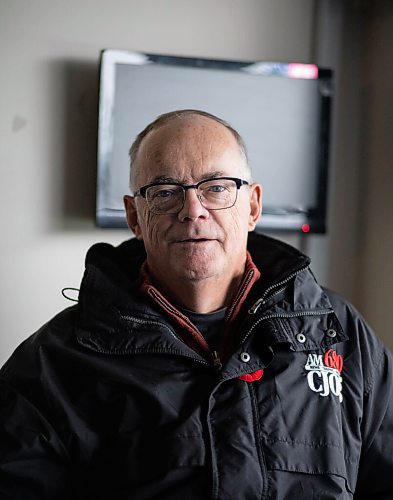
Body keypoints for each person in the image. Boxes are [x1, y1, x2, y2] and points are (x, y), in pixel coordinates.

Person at [0, 109, 392, 500]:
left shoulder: (340, 334)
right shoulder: (54, 363)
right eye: (166, 191)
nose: (192, 210)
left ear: (253, 206)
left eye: (217, 187)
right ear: (135, 216)